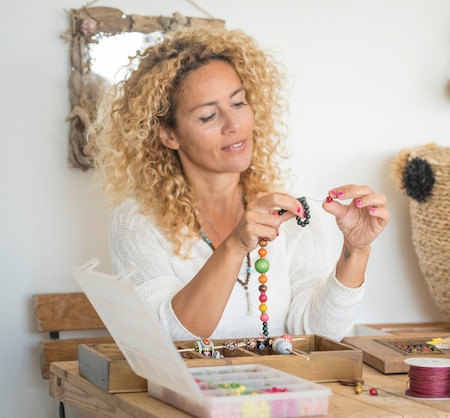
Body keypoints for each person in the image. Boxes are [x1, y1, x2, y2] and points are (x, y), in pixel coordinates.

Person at [90, 24, 390, 342]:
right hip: (186, 392)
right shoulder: (138, 221)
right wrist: (235, 244)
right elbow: (167, 336)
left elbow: (317, 334)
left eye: (238, 103)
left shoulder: (288, 214)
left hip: (280, 390)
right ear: (169, 134)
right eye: (208, 116)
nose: (234, 125)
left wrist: (356, 250)